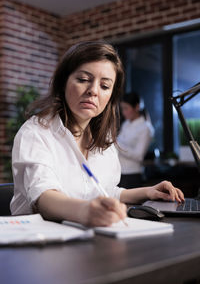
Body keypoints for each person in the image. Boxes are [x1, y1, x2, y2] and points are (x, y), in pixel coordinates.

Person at [10, 41, 184, 227]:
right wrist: (85, 210)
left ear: (110, 96)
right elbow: (43, 197)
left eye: (104, 86)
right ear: (63, 82)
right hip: (38, 242)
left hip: (87, 239)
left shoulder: (104, 140)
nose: (93, 91)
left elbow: (105, 191)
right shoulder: (36, 132)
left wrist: (148, 192)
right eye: (83, 80)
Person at [117, 92, 154, 188]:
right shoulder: (126, 124)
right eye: (122, 109)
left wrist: (116, 144)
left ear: (137, 107)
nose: (123, 112)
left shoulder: (145, 128)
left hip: (131, 175)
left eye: (126, 108)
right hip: (119, 173)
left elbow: (139, 155)